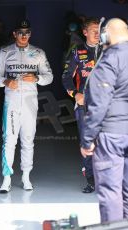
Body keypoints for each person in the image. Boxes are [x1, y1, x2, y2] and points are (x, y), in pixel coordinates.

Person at [0, 19, 53, 193]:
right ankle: (6, 178)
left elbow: (49, 76)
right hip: (10, 102)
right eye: (20, 32)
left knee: (27, 140)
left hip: (30, 102)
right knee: (9, 140)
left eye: (27, 32)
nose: (24, 35)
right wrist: (5, 81)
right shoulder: (4, 52)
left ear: (30, 34)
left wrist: (37, 78)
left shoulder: (38, 53)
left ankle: (26, 177)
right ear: (14, 34)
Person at [81, 18, 128, 223]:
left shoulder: (110, 58)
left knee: (110, 190)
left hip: (112, 136)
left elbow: (99, 103)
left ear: (105, 35)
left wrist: (87, 139)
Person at [62, 17, 102, 193]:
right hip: (85, 106)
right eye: (93, 29)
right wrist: (74, 94)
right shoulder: (77, 51)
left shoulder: (110, 50)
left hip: (108, 107)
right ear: (84, 32)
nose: (97, 33)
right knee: (88, 143)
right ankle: (91, 180)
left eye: (99, 29)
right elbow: (65, 77)